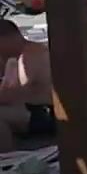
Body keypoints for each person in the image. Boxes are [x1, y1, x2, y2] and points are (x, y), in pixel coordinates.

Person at [0, 19, 53, 152]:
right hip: (29, 110)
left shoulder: (31, 55)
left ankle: (8, 157)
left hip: (45, 113)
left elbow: (9, 95)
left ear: (9, 38)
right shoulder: (14, 57)